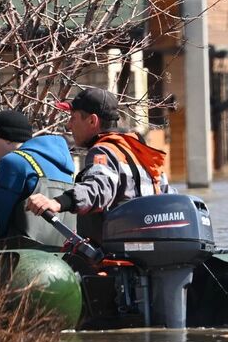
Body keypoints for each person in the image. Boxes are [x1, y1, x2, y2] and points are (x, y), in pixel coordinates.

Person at [24, 86, 169, 244]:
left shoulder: (103, 151)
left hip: (115, 259)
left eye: (73, 117)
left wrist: (58, 202)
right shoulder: (140, 153)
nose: (68, 125)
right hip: (145, 251)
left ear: (92, 121)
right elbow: (166, 196)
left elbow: (99, 188)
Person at [0, 108, 77, 246]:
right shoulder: (66, 165)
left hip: (22, 257)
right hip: (62, 256)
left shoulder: (13, 162)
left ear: (7, 139)